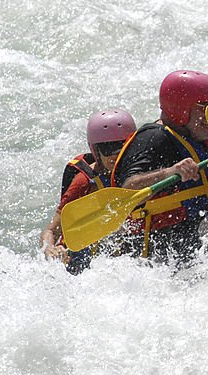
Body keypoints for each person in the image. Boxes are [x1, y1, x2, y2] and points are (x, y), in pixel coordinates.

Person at [111, 70, 208, 264]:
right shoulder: (153, 138)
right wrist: (170, 172)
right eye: (204, 109)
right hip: (165, 253)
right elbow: (126, 190)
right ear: (181, 109)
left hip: (199, 241)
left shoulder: (203, 138)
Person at [40, 109, 136, 274]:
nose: (115, 154)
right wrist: (50, 248)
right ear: (95, 151)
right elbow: (51, 230)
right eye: (108, 148)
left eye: (122, 146)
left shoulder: (139, 174)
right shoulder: (84, 182)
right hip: (84, 263)